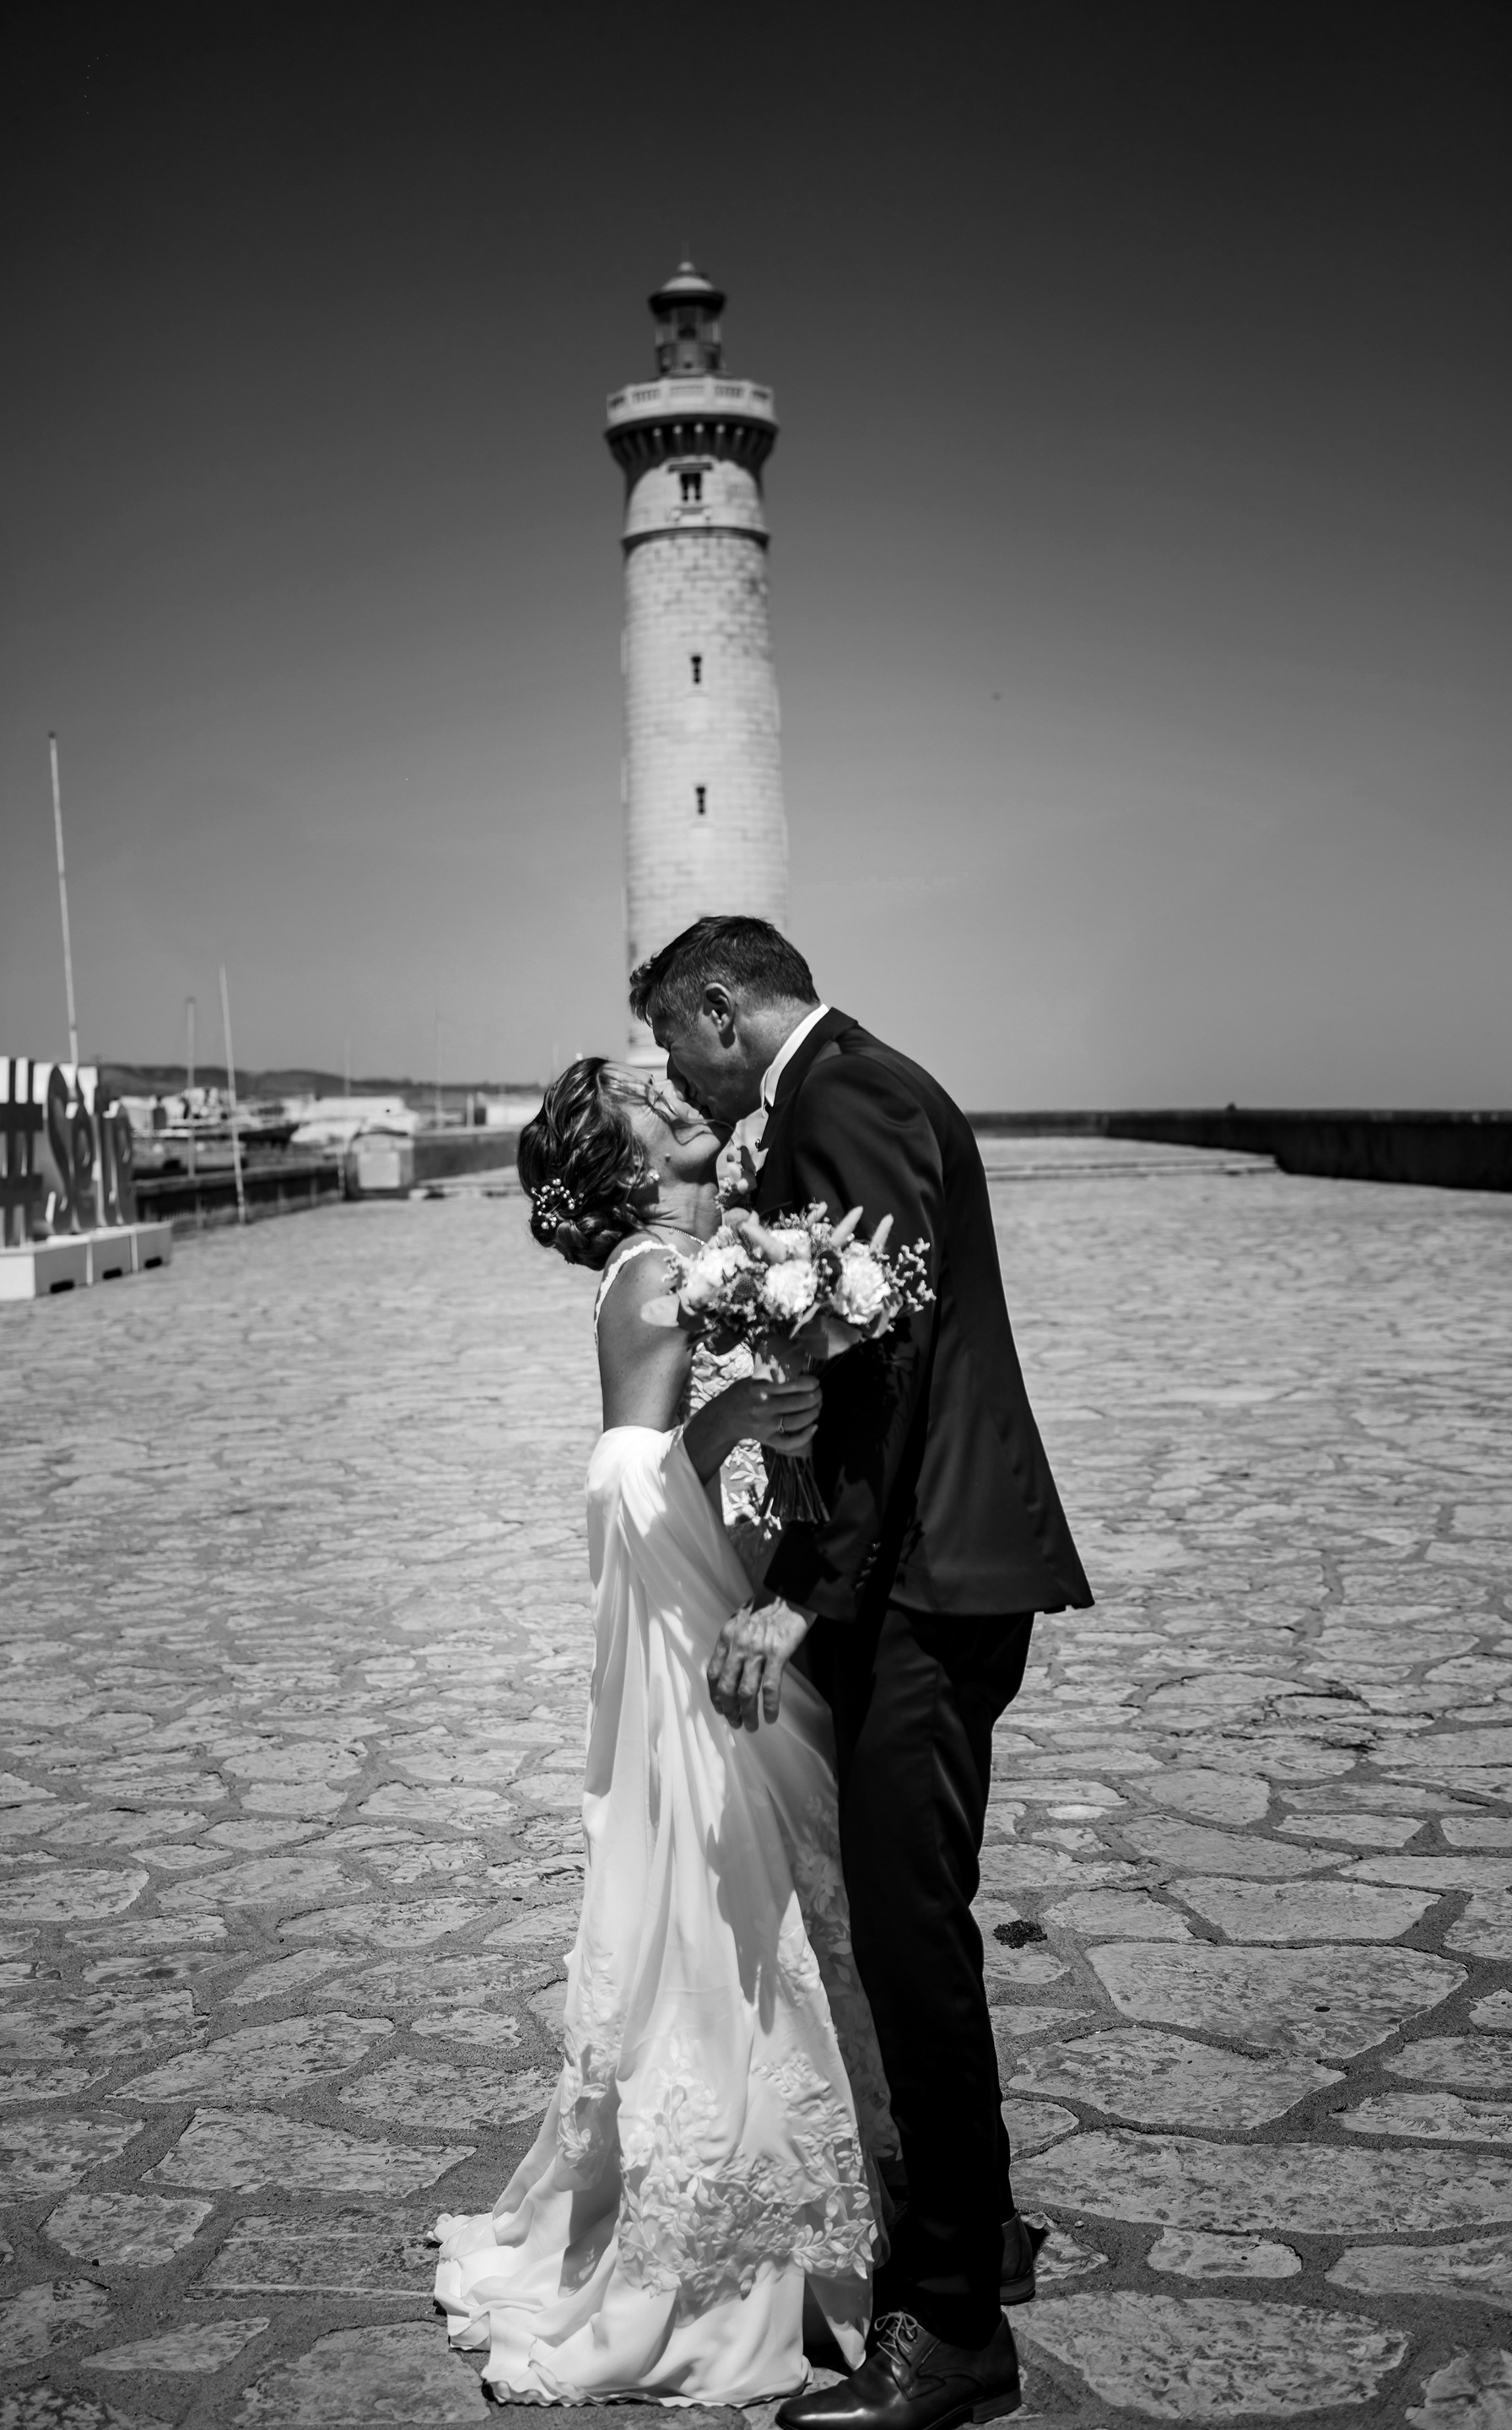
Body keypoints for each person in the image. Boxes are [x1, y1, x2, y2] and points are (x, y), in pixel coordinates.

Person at [634, 915, 1094, 2430]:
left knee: (910, 1944)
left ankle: (953, 2327)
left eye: (674, 1042)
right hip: (910, 1577)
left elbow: (882, 1365)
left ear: (721, 1006)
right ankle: (981, 2235)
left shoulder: (854, 1094)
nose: (676, 1077)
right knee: (910, 1933)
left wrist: (799, 1598)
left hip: (925, 1582)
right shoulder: (842, 1094)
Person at [433, 1057, 898, 2408]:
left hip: (722, 1587)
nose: (675, 1089)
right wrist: (743, 1413)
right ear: (626, 1159)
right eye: (646, 1090)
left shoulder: (701, 1258)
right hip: (695, 1617)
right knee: (729, 1905)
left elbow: (676, 1452)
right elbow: (626, 1470)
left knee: (767, 1897)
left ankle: (823, 2200)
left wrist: (753, 1410)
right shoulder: (655, 1276)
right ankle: (733, 2239)